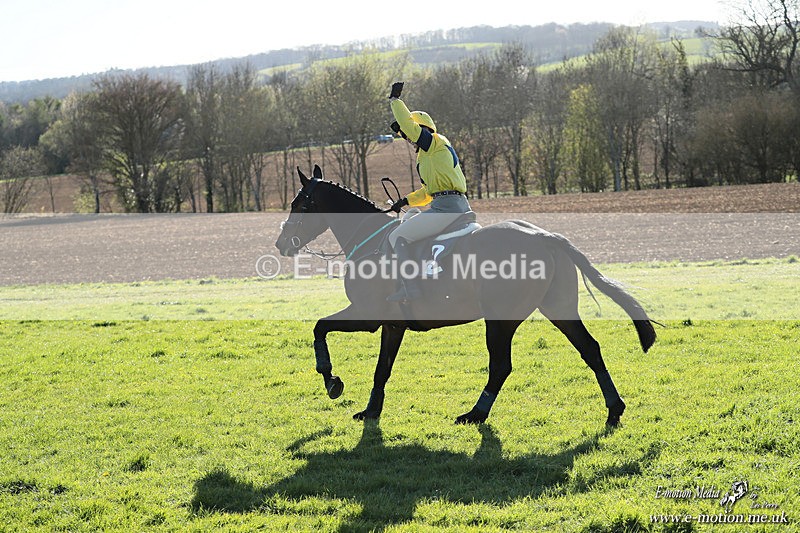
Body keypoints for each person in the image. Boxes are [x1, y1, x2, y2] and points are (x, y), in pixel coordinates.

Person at [385, 81, 471, 302]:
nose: (407, 139)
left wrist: (395, 101)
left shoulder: (433, 142)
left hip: (447, 209)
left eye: (408, 135)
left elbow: (409, 126)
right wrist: (405, 201)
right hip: (452, 204)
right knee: (410, 218)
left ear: (423, 128)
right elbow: (428, 193)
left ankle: (411, 288)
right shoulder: (427, 155)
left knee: (397, 236)